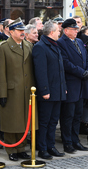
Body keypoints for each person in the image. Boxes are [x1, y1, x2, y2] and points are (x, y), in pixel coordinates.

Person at [0, 18, 36, 161]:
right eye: (19, 30)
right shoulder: (2, 47)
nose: (23, 33)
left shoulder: (28, 46)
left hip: (27, 90)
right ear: (11, 32)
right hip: (12, 91)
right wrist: (2, 94)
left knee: (24, 120)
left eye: (23, 30)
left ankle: (21, 148)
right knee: (12, 122)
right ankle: (11, 149)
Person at [57, 18, 88, 153]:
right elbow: (65, 63)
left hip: (82, 84)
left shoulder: (79, 41)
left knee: (78, 115)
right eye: (74, 29)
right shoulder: (61, 43)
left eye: (77, 29)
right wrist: (81, 72)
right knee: (68, 116)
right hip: (71, 84)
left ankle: (75, 140)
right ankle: (67, 142)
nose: (77, 31)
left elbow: (87, 58)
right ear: (66, 31)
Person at [32, 20, 66, 159]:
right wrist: (44, 90)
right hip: (48, 92)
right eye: (58, 31)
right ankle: (42, 148)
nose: (60, 33)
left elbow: (60, 70)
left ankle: (51, 146)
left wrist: (63, 88)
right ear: (51, 32)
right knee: (44, 122)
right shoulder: (41, 47)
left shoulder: (54, 45)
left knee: (53, 121)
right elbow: (41, 71)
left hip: (57, 90)